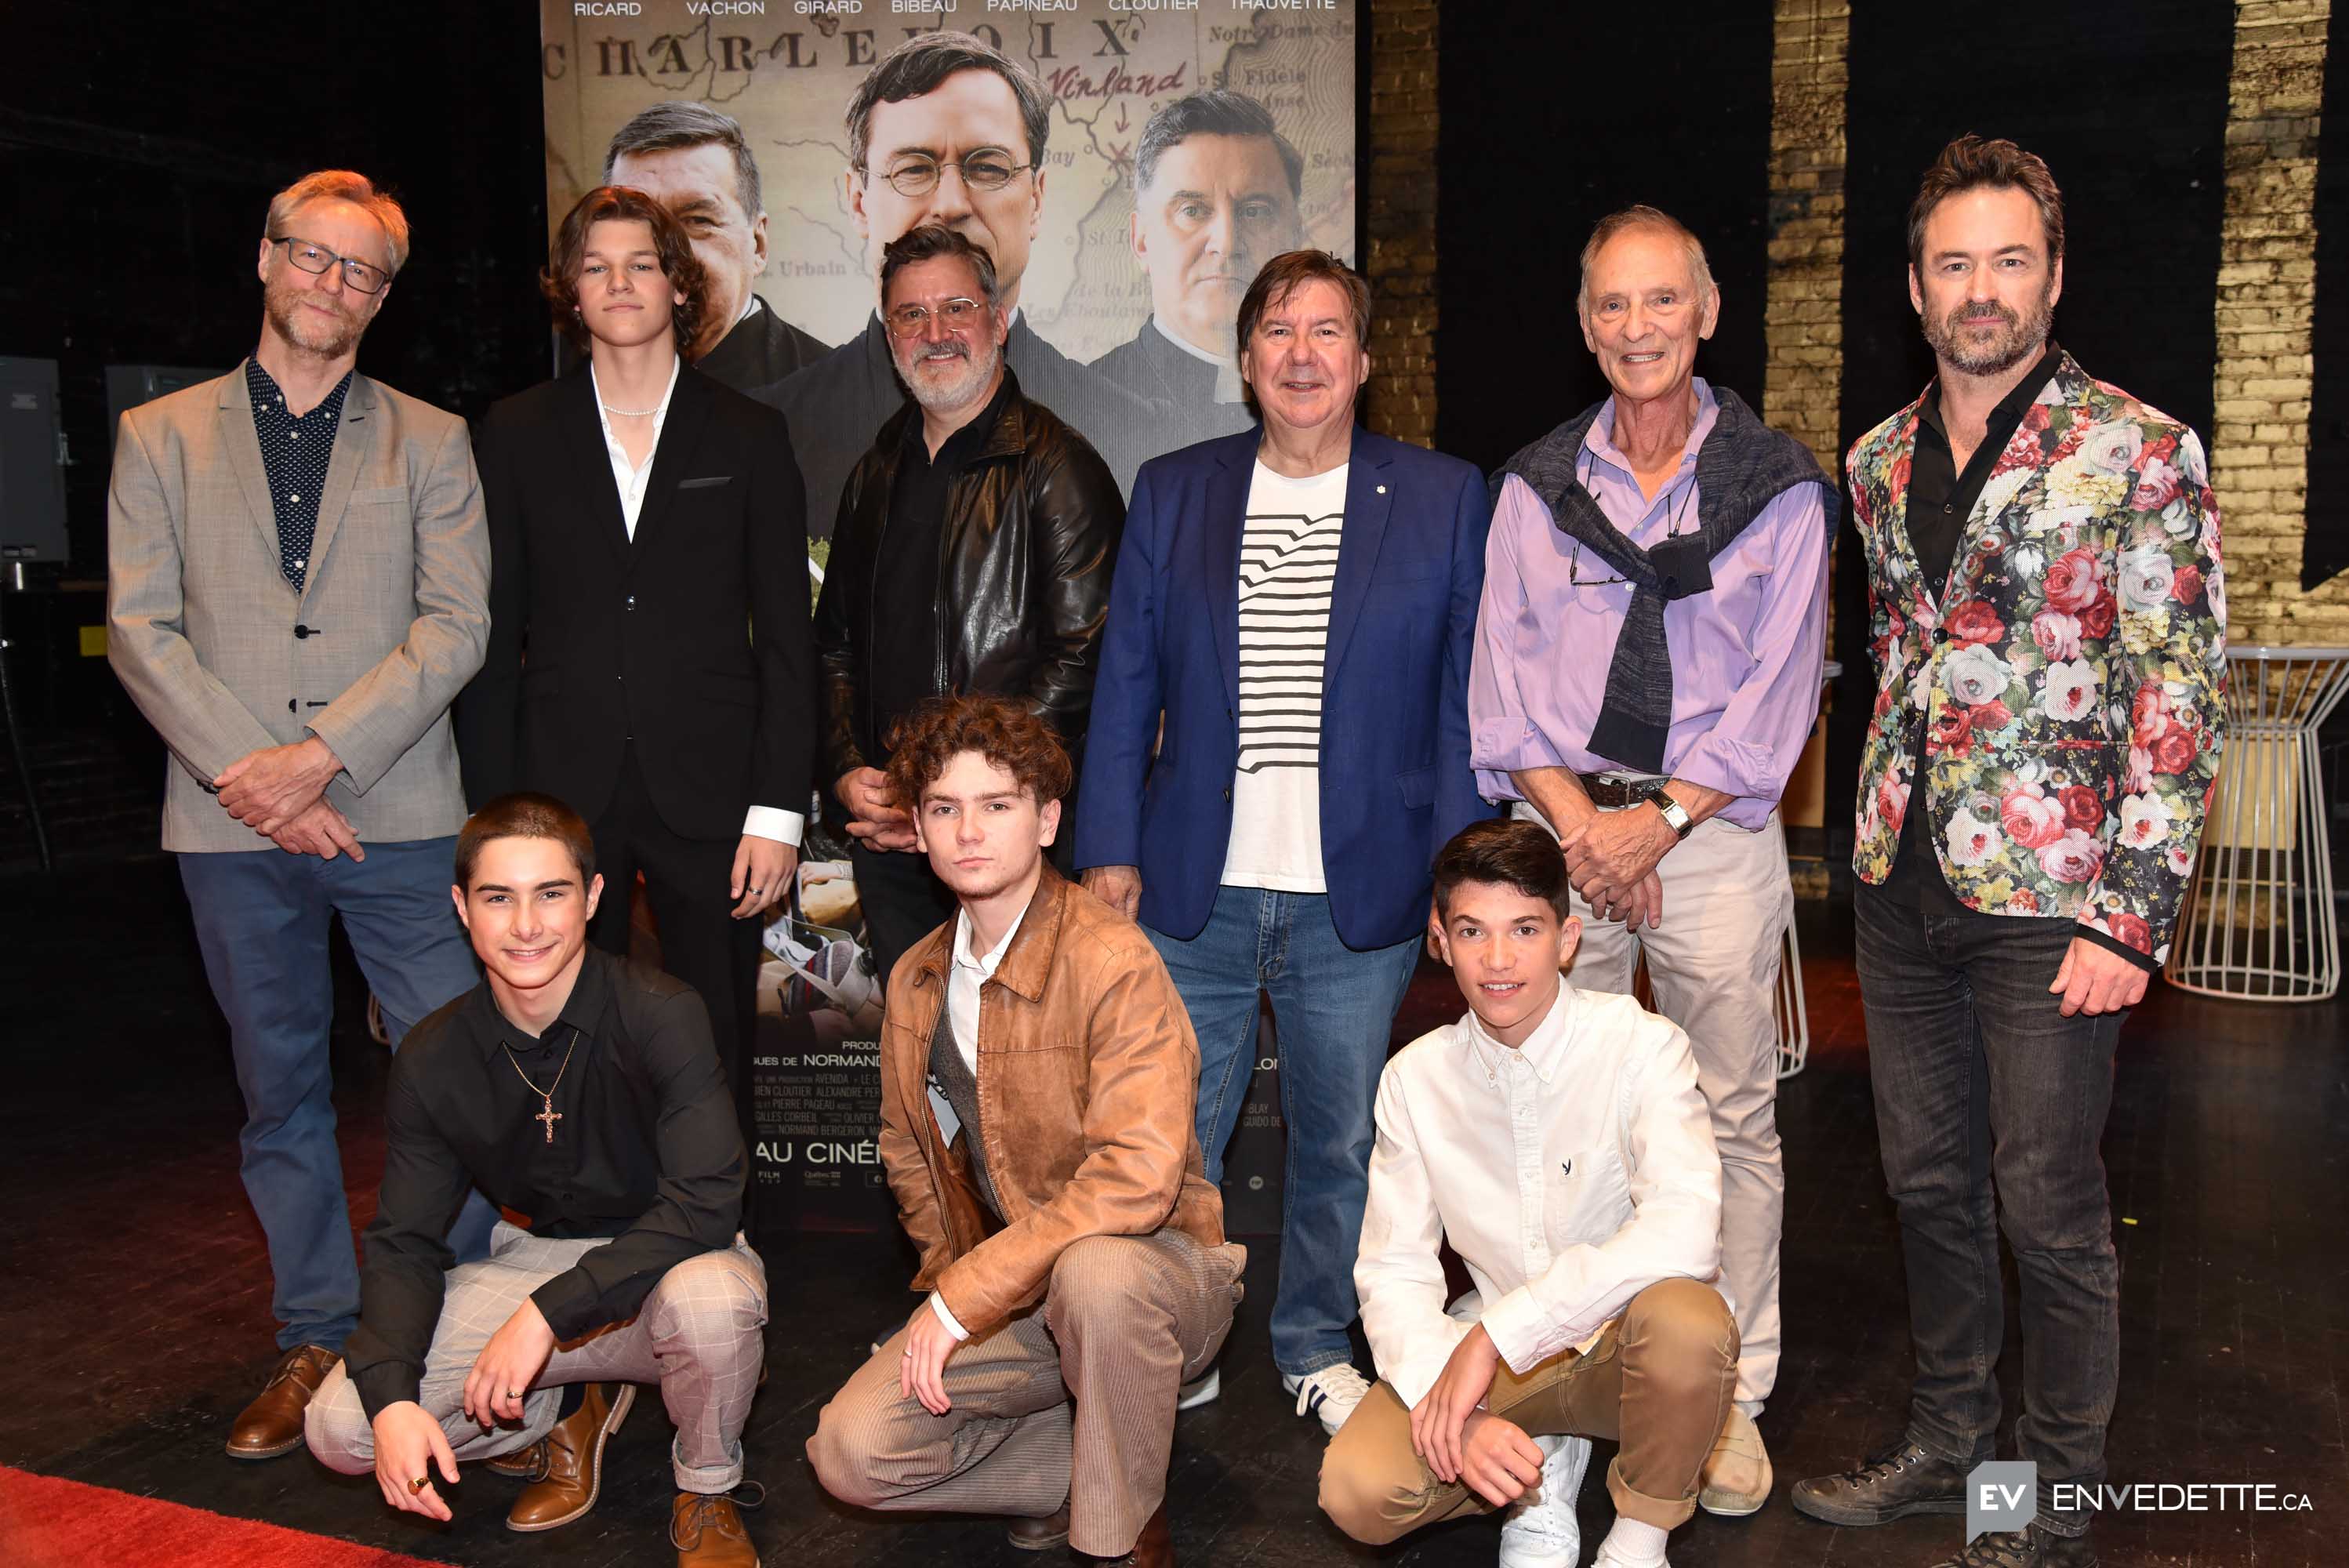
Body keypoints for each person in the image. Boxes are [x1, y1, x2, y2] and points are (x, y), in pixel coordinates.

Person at [1792, 136, 2226, 1568]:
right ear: (1916, 288)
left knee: (2046, 1204)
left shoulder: (2140, 448)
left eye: (2009, 261)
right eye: (1954, 264)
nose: (1981, 290)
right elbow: (1901, 657)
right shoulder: (1876, 458)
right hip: (1899, 885)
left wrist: (2130, 916)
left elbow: (2180, 692)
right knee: (1925, 1186)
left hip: (2060, 896)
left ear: (2054, 276)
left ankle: (2052, 1497)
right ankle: (1948, 1446)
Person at [106, 169, 494, 1461]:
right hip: (230, 826)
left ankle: (453, 1325)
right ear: (266, 259)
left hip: (399, 808)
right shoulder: (157, 436)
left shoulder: (432, 440)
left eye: (361, 270)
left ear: (382, 299)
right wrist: (259, 780)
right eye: (315, 256)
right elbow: (142, 632)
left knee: (454, 1076)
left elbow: (457, 627)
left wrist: (321, 759)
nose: (334, 283)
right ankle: (316, 1334)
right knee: (279, 1093)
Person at [1076, 249, 1490, 1437]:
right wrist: (1108, 847)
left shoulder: (1443, 495)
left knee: (1339, 1140)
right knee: (1172, 1137)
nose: (1301, 355)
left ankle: (1312, 1340)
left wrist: (1457, 875)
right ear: (1246, 359)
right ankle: (1185, 1333)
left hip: (1361, 884)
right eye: (1276, 331)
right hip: (1189, 883)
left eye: (1325, 332)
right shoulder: (1175, 489)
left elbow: (1464, 703)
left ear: (1363, 360)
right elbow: (1125, 683)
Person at [1471, 205, 1832, 1512]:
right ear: (1585, 325)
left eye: (1661, 299)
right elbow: (1502, 692)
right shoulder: (1533, 487)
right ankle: (1571, 1376)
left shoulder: (1778, 488)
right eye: (1613, 305)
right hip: (1567, 836)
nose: (1638, 327)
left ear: (1708, 312)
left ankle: (1728, 1395)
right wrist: (1588, 833)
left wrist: (1657, 823)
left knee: (1728, 1113)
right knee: (1559, 1107)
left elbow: (1778, 698)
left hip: (1712, 838)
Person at [806, 695, 1243, 1568]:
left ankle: (1121, 1534)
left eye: (996, 804)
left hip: (1155, 1278)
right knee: (850, 1452)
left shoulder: (1112, 959)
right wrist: (950, 1289)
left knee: (1097, 1273)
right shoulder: (917, 978)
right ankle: (1092, 1458)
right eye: (943, 809)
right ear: (918, 831)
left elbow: (1136, 1178)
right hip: (1021, 1295)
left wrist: (967, 1295)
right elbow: (910, 1156)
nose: (969, 831)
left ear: (1045, 821)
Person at [302, 793, 768, 1567]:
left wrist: (544, 1316)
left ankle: (705, 1486)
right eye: (498, 898)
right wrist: (391, 1400)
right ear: (462, 908)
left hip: (667, 1263)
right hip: (531, 1261)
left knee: (716, 1304)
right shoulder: (433, 1053)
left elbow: (706, 1202)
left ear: (591, 897)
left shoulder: (661, 1011)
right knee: (344, 1429)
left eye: (550, 893)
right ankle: (555, 1408)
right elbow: (405, 1240)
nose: (526, 925)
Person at [456, 186, 814, 1126]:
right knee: (567, 1037)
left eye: (641, 265)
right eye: (596, 266)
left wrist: (778, 810)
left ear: (678, 286)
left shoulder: (748, 432)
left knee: (713, 1034)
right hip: (559, 788)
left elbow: (788, 637)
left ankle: (719, 1208)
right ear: (570, 291)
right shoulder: (515, 431)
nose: (619, 283)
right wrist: (493, 815)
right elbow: (491, 634)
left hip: (714, 789)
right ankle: (588, 1203)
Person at [1320, 819, 1737, 1568]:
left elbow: (1687, 1228)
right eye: (1472, 932)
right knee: (1360, 1489)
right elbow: (1394, 1270)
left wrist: (1496, 1336)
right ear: (1440, 941)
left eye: (1525, 929)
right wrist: (1460, 1414)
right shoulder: (1414, 1079)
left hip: (1620, 1347)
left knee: (1691, 1324)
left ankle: (1638, 1542)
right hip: (1502, 1361)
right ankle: (1540, 1469)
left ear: (1567, 939)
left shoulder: (1641, 1044)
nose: (1498, 960)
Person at [813, 223, 1123, 985]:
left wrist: (953, 796)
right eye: (911, 315)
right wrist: (849, 769)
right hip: (892, 844)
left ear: (999, 320)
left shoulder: (1057, 468)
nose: (936, 332)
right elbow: (835, 646)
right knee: (920, 1044)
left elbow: (1084, 657)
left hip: (1009, 842)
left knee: (1019, 1048)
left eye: (956, 308)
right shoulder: (873, 474)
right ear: (889, 336)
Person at [754, 30, 1158, 535]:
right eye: (913, 169)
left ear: (1036, 200)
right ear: (858, 202)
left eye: (987, 167)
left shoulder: (1133, 432)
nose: (950, 204)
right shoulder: (766, 435)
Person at [1091, 91, 1308, 443]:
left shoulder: (1333, 398)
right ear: (1141, 240)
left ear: (1296, 235)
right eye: (1192, 211)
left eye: (1255, 211)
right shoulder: (1082, 412)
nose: (1227, 244)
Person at [601, 100, 831, 389]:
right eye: (635, 222)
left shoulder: (837, 394)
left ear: (758, 245)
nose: (663, 253)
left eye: (698, 220)